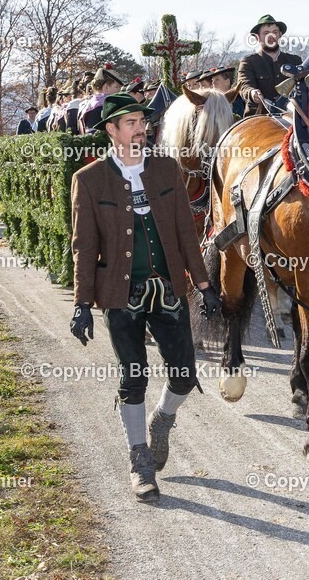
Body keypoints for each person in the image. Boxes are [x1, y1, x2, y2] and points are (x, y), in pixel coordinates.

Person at [69, 93, 221, 503]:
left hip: (169, 290)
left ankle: (163, 420)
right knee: (133, 376)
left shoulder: (166, 170)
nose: (141, 128)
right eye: (131, 122)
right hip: (120, 295)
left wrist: (205, 286)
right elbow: (84, 245)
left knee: (185, 375)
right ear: (112, 130)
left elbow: (187, 235)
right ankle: (140, 459)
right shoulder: (90, 179)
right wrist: (82, 303)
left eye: (142, 121)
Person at [237, 14, 302, 117]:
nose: (271, 36)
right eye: (266, 33)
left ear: (280, 34)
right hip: (259, 119)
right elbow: (244, 86)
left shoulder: (295, 61)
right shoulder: (248, 62)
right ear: (257, 37)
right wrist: (252, 93)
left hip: (293, 117)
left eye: (275, 32)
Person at [79, 65, 126, 133]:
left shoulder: (88, 104)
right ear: (106, 87)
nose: (119, 90)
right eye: (117, 87)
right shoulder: (106, 106)